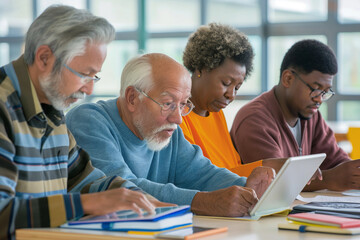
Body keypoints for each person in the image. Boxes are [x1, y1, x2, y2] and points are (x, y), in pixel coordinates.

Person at [0, 5, 165, 239]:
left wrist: (135, 197)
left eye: (94, 76)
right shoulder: (3, 107)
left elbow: (83, 179)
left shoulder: (50, 108)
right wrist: (85, 204)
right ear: (44, 58)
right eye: (84, 75)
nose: (89, 88)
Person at [66, 53, 276, 217]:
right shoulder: (88, 120)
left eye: (184, 104)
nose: (178, 118)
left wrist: (248, 186)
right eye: (168, 104)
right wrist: (202, 202)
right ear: (132, 98)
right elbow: (121, 190)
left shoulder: (168, 130)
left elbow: (203, 174)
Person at [230, 39, 360, 191]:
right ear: (288, 79)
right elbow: (274, 182)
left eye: (325, 92)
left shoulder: (311, 115)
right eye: (316, 89)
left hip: (301, 209)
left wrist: (353, 173)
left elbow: (336, 161)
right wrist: (329, 179)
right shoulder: (254, 119)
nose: (319, 99)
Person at [180, 23, 286, 177]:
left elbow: (232, 167)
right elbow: (200, 177)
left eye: (237, 87)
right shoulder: (178, 117)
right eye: (226, 83)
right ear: (201, 68)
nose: (231, 95)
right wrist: (267, 166)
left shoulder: (215, 114)